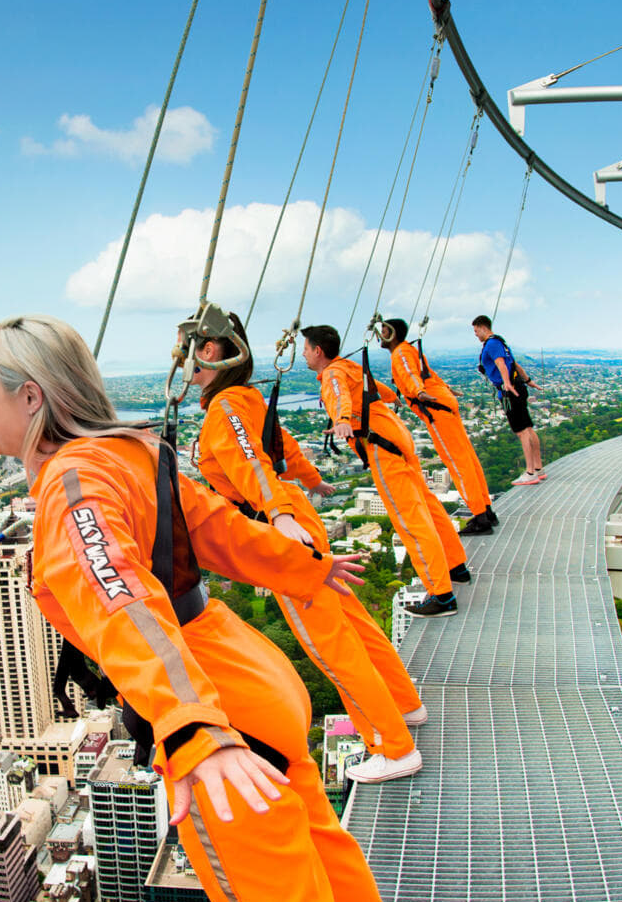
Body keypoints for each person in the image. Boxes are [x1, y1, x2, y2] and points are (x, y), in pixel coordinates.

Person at [0, 313, 395, 902]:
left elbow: (123, 599)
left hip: (218, 714)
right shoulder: (133, 450)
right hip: (251, 679)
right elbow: (223, 528)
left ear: (30, 396)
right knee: (329, 870)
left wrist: (195, 727)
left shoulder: (72, 481)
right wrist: (308, 568)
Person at [185, 310, 428, 783]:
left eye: (187, 352)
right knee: (355, 624)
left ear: (209, 351)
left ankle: (392, 746)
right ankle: (404, 704)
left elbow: (251, 462)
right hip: (297, 514)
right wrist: (310, 484)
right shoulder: (247, 398)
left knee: (329, 645)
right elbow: (281, 447)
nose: (183, 363)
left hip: (281, 529)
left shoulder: (224, 409)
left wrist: (277, 513)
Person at [303, 323, 468, 618]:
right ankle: (456, 566)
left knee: (410, 519)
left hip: (381, 447)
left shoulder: (332, 373)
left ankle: (441, 595)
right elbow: (385, 394)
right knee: (428, 506)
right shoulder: (351, 367)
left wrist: (342, 419)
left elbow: (339, 393)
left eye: (305, 349)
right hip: (395, 436)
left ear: (318, 351)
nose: (303, 355)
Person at [379, 318, 497, 535]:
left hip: (435, 409)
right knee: (467, 457)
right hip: (443, 403)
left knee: (456, 462)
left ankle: (480, 517)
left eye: (384, 329)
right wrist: (447, 389)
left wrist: (419, 393)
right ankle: (486, 510)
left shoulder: (401, 354)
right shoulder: (410, 350)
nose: (380, 333)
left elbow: (411, 375)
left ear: (392, 333)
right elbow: (429, 374)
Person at [473, 314, 544, 485]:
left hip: (510, 390)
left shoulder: (492, 344)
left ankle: (530, 472)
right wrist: (528, 380)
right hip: (518, 386)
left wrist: (506, 384)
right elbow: (514, 364)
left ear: (483, 327)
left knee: (521, 431)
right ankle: (538, 468)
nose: (476, 335)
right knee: (528, 427)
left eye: (476, 331)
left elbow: (502, 365)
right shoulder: (501, 342)